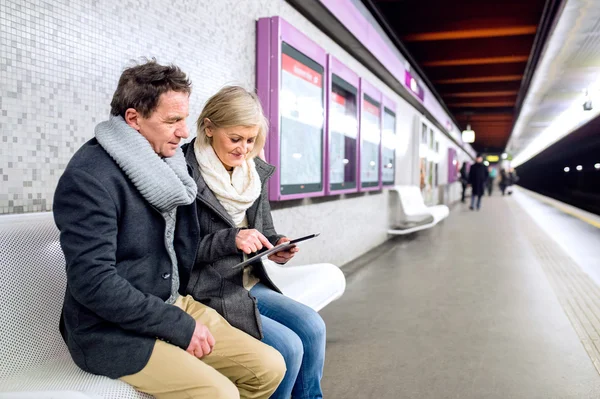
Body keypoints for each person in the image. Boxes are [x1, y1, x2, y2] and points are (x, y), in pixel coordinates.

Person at [53, 60, 285, 399]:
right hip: (110, 331)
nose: (182, 131)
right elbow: (93, 283)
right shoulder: (89, 179)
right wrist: (175, 324)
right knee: (219, 394)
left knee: (270, 368)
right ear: (134, 119)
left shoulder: (169, 168)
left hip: (171, 302)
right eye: (172, 120)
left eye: (184, 120)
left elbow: (185, 247)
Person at [183, 86, 327, 399]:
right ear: (209, 128)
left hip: (249, 282)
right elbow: (177, 253)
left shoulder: (251, 173)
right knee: (288, 348)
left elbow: (265, 230)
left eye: (251, 140)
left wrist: (277, 245)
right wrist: (230, 239)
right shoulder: (183, 173)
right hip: (209, 290)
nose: (244, 149)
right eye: (235, 139)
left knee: (313, 327)